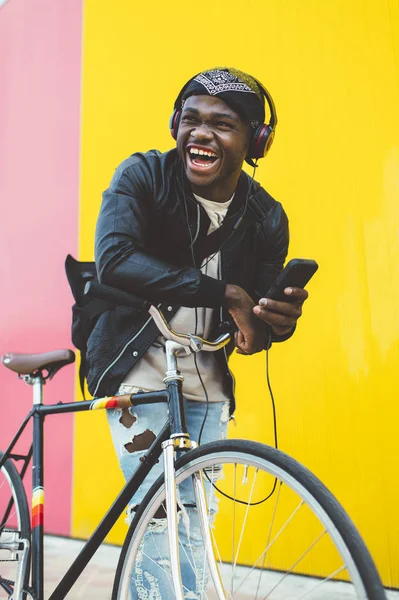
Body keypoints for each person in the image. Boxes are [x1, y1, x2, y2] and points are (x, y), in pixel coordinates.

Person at [88, 67, 308, 598]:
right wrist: (224, 295)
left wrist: (272, 323)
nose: (202, 134)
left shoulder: (266, 216)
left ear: (256, 141)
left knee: (195, 522)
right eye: (191, 120)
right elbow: (115, 259)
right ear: (174, 126)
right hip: (137, 368)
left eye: (223, 124)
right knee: (159, 518)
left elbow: (255, 316)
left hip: (207, 381)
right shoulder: (141, 176)